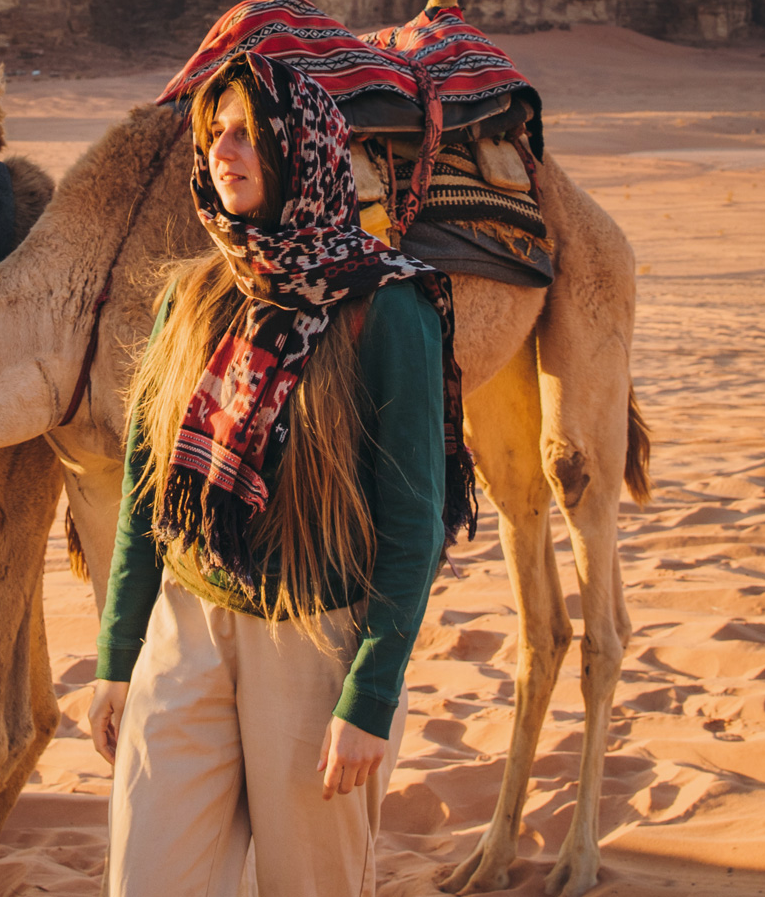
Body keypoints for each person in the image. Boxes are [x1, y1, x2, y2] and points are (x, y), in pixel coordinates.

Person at [86, 49, 475, 896]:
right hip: (186, 629)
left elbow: (417, 523)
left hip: (317, 641)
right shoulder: (190, 295)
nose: (224, 152)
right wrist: (119, 656)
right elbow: (148, 491)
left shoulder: (388, 305)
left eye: (248, 134)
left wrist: (370, 698)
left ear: (303, 149)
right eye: (215, 133)